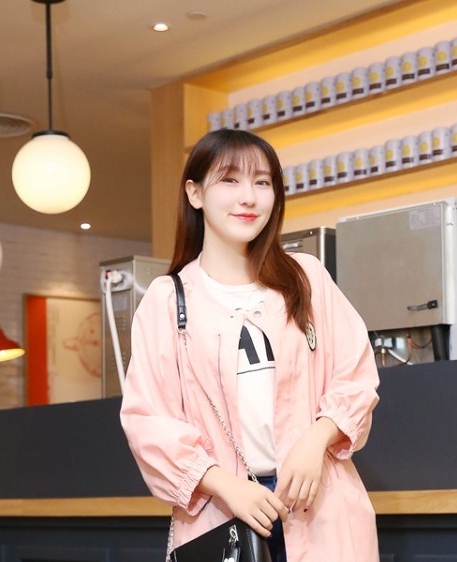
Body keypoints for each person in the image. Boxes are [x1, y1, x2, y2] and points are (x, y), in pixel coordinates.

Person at [120, 128, 380, 561]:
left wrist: (316, 439)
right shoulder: (167, 300)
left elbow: (355, 375)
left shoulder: (306, 277)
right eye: (230, 180)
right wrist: (225, 484)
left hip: (320, 508)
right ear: (195, 193)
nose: (249, 197)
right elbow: (148, 420)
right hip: (224, 518)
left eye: (262, 182)